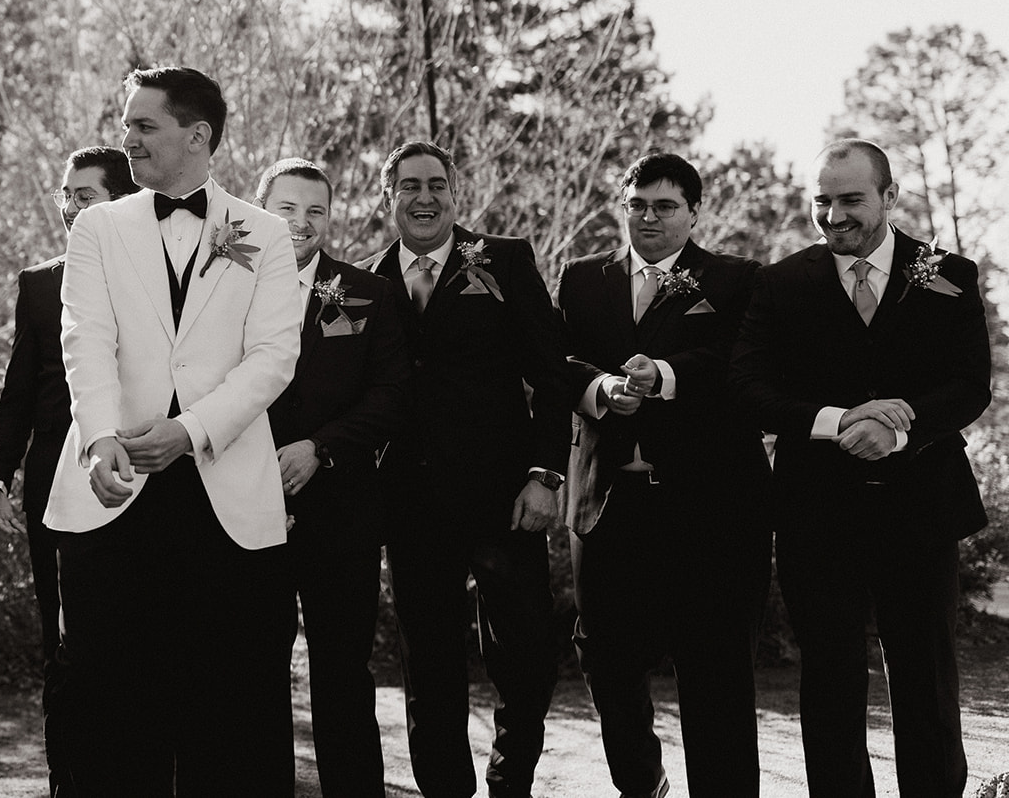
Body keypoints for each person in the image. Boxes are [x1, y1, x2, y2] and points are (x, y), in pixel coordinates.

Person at [42, 66, 303, 797]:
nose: (127, 140)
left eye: (142, 125)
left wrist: (190, 431)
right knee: (112, 712)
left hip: (224, 505)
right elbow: (83, 340)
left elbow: (274, 357)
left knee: (227, 715)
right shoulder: (98, 227)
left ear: (198, 135)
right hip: (114, 492)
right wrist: (101, 441)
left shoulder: (263, 232)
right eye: (126, 125)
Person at [731, 139, 991, 798]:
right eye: (823, 199)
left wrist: (898, 428)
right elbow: (748, 387)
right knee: (830, 680)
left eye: (850, 199)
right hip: (817, 513)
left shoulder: (949, 274)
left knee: (926, 679)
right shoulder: (781, 282)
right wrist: (840, 419)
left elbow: (970, 385)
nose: (833, 214)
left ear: (889, 197)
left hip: (921, 510)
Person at [359, 139, 571, 798]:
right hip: (411, 502)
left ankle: (513, 781)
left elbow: (554, 375)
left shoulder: (503, 261)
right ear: (387, 196)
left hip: (504, 497)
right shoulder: (366, 282)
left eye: (436, 185)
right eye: (409, 186)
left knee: (526, 652)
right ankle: (445, 788)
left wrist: (545, 474)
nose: (424, 198)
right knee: (430, 663)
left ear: (456, 194)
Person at [556, 151, 771, 798]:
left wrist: (667, 376)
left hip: (710, 513)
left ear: (694, 212)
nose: (649, 216)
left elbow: (742, 366)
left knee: (716, 672)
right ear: (624, 207)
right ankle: (643, 785)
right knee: (609, 666)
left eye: (665, 205)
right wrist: (597, 387)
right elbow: (556, 360)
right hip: (608, 511)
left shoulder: (736, 280)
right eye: (638, 204)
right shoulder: (581, 278)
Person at [0, 144, 138, 795]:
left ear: (123, 200)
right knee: (63, 640)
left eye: (83, 195)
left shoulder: (167, 279)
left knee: (138, 635)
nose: (68, 207)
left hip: (146, 476)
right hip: (55, 484)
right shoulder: (41, 284)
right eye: (64, 195)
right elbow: (17, 392)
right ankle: (69, 780)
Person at [255, 157, 410, 798]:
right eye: (287, 209)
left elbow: (393, 393)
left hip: (340, 507)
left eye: (315, 210)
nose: (302, 222)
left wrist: (319, 448)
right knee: (252, 669)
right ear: (260, 210)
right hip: (243, 505)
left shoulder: (368, 291)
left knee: (343, 672)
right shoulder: (221, 285)